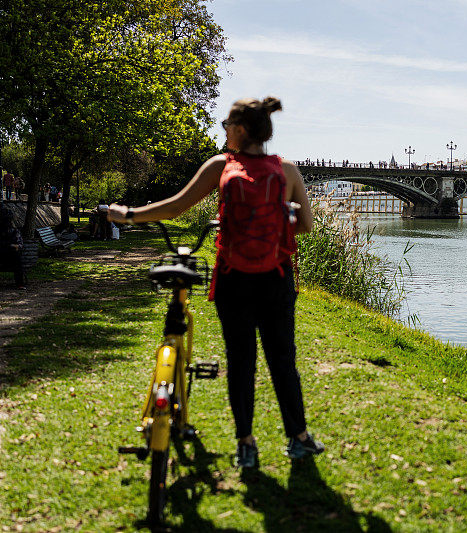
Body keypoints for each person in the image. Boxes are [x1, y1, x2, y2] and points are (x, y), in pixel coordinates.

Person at [108, 96, 321, 468]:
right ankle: (299, 439)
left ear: (240, 129)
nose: (224, 132)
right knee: (283, 360)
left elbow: (176, 206)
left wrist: (128, 215)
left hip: (233, 278)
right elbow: (305, 226)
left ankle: (246, 445)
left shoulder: (221, 166)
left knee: (241, 362)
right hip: (276, 278)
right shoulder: (286, 170)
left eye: (226, 126)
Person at [0, 206, 25, 289]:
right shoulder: (14, 230)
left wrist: (13, 246)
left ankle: (20, 284)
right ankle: (20, 284)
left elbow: (19, 245)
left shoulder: (14, 231)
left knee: (17, 257)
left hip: (10, 257)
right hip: (6, 255)